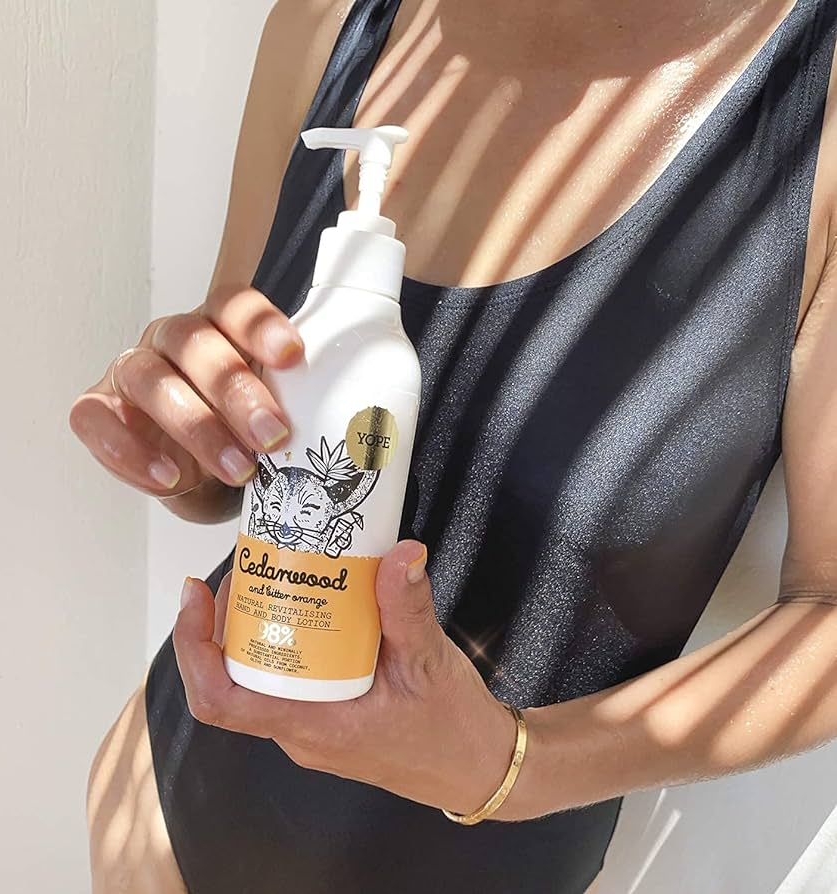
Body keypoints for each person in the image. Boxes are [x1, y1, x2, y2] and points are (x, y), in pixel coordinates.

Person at [72, 0, 837, 891]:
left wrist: (512, 765)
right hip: (163, 819)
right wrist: (180, 444)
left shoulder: (812, 109)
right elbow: (244, 462)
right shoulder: (326, 26)